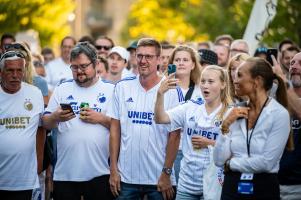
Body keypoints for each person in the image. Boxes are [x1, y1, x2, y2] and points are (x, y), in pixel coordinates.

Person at [108, 38, 182, 200]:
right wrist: (113, 169)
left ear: (159, 59)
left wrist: (166, 173)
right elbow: (115, 129)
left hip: (159, 178)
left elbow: (175, 135)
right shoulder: (122, 87)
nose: (143, 61)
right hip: (126, 177)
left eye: (148, 56)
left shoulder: (171, 89)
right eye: (139, 56)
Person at [42, 42, 114, 200]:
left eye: (83, 66)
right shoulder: (63, 88)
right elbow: (45, 123)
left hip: (100, 172)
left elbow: (121, 128)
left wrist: (101, 118)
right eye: (74, 67)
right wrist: (55, 117)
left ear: (96, 64)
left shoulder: (111, 90)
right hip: (65, 174)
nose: (79, 71)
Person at [214, 57, 290, 200]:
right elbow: (218, 160)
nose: (235, 80)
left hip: (263, 188)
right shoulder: (235, 112)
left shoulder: (278, 114)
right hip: (232, 187)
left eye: (240, 75)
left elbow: (267, 163)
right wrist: (225, 127)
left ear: (257, 81)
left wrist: (231, 163)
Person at [154, 65, 232, 199]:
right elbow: (160, 118)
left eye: (211, 82)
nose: (205, 86)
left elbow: (236, 149)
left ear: (223, 84)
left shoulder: (230, 113)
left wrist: (211, 142)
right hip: (186, 184)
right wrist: (160, 94)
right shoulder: (190, 107)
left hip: (214, 185)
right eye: (203, 81)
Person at [0, 50, 44, 200]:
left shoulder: (35, 93)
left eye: (19, 70)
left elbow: (41, 129)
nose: (15, 75)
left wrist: (40, 160)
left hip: (27, 181)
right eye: (10, 70)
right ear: (1, 72)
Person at [167, 45, 203, 183]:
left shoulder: (202, 90)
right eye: (177, 60)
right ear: (172, 64)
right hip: (167, 150)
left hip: (193, 152)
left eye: (185, 60)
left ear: (193, 64)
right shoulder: (164, 88)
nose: (181, 63)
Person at [278, 52, 301, 200]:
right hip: (274, 183)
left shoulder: (285, 91)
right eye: (292, 63)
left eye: (300, 63)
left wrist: (283, 83)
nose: (294, 66)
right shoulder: (277, 98)